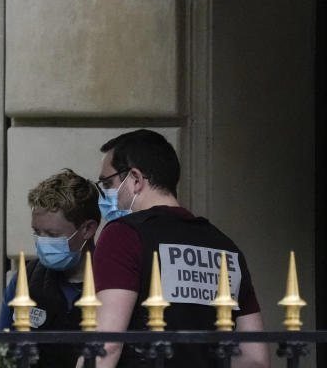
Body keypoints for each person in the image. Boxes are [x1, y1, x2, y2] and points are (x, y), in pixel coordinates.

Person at [92, 129, 269, 368]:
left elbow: (107, 344)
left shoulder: (123, 235)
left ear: (135, 179)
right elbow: (255, 359)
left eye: (108, 183)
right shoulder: (226, 247)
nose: (104, 193)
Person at [0, 169, 101, 367]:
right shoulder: (25, 281)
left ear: (88, 228)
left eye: (53, 234)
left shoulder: (115, 285)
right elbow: (3, 351)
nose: (43, 242)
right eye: (37, 232)